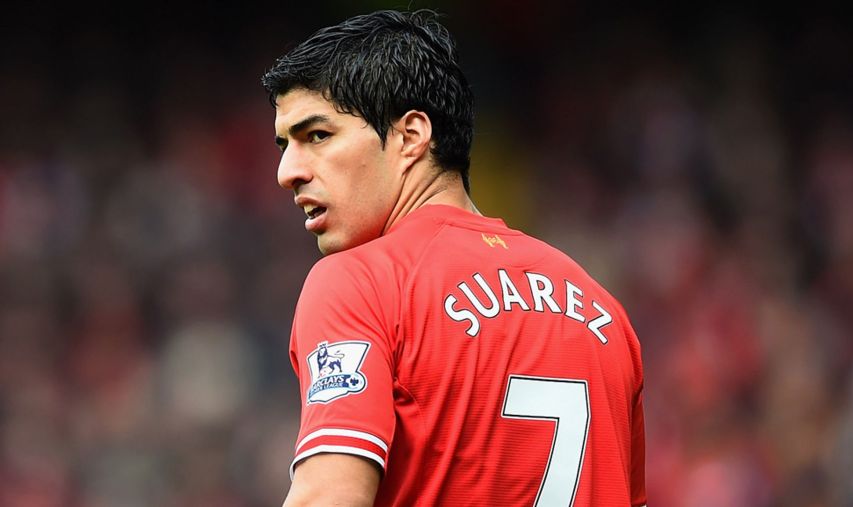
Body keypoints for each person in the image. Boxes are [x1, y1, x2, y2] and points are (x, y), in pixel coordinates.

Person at [262, 9, 646, 507]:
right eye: (284, 144)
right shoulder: (604, 312)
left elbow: (328, 498)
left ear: (411, 136)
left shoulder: (359, 283)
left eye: (317, 135)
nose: (287, 172)